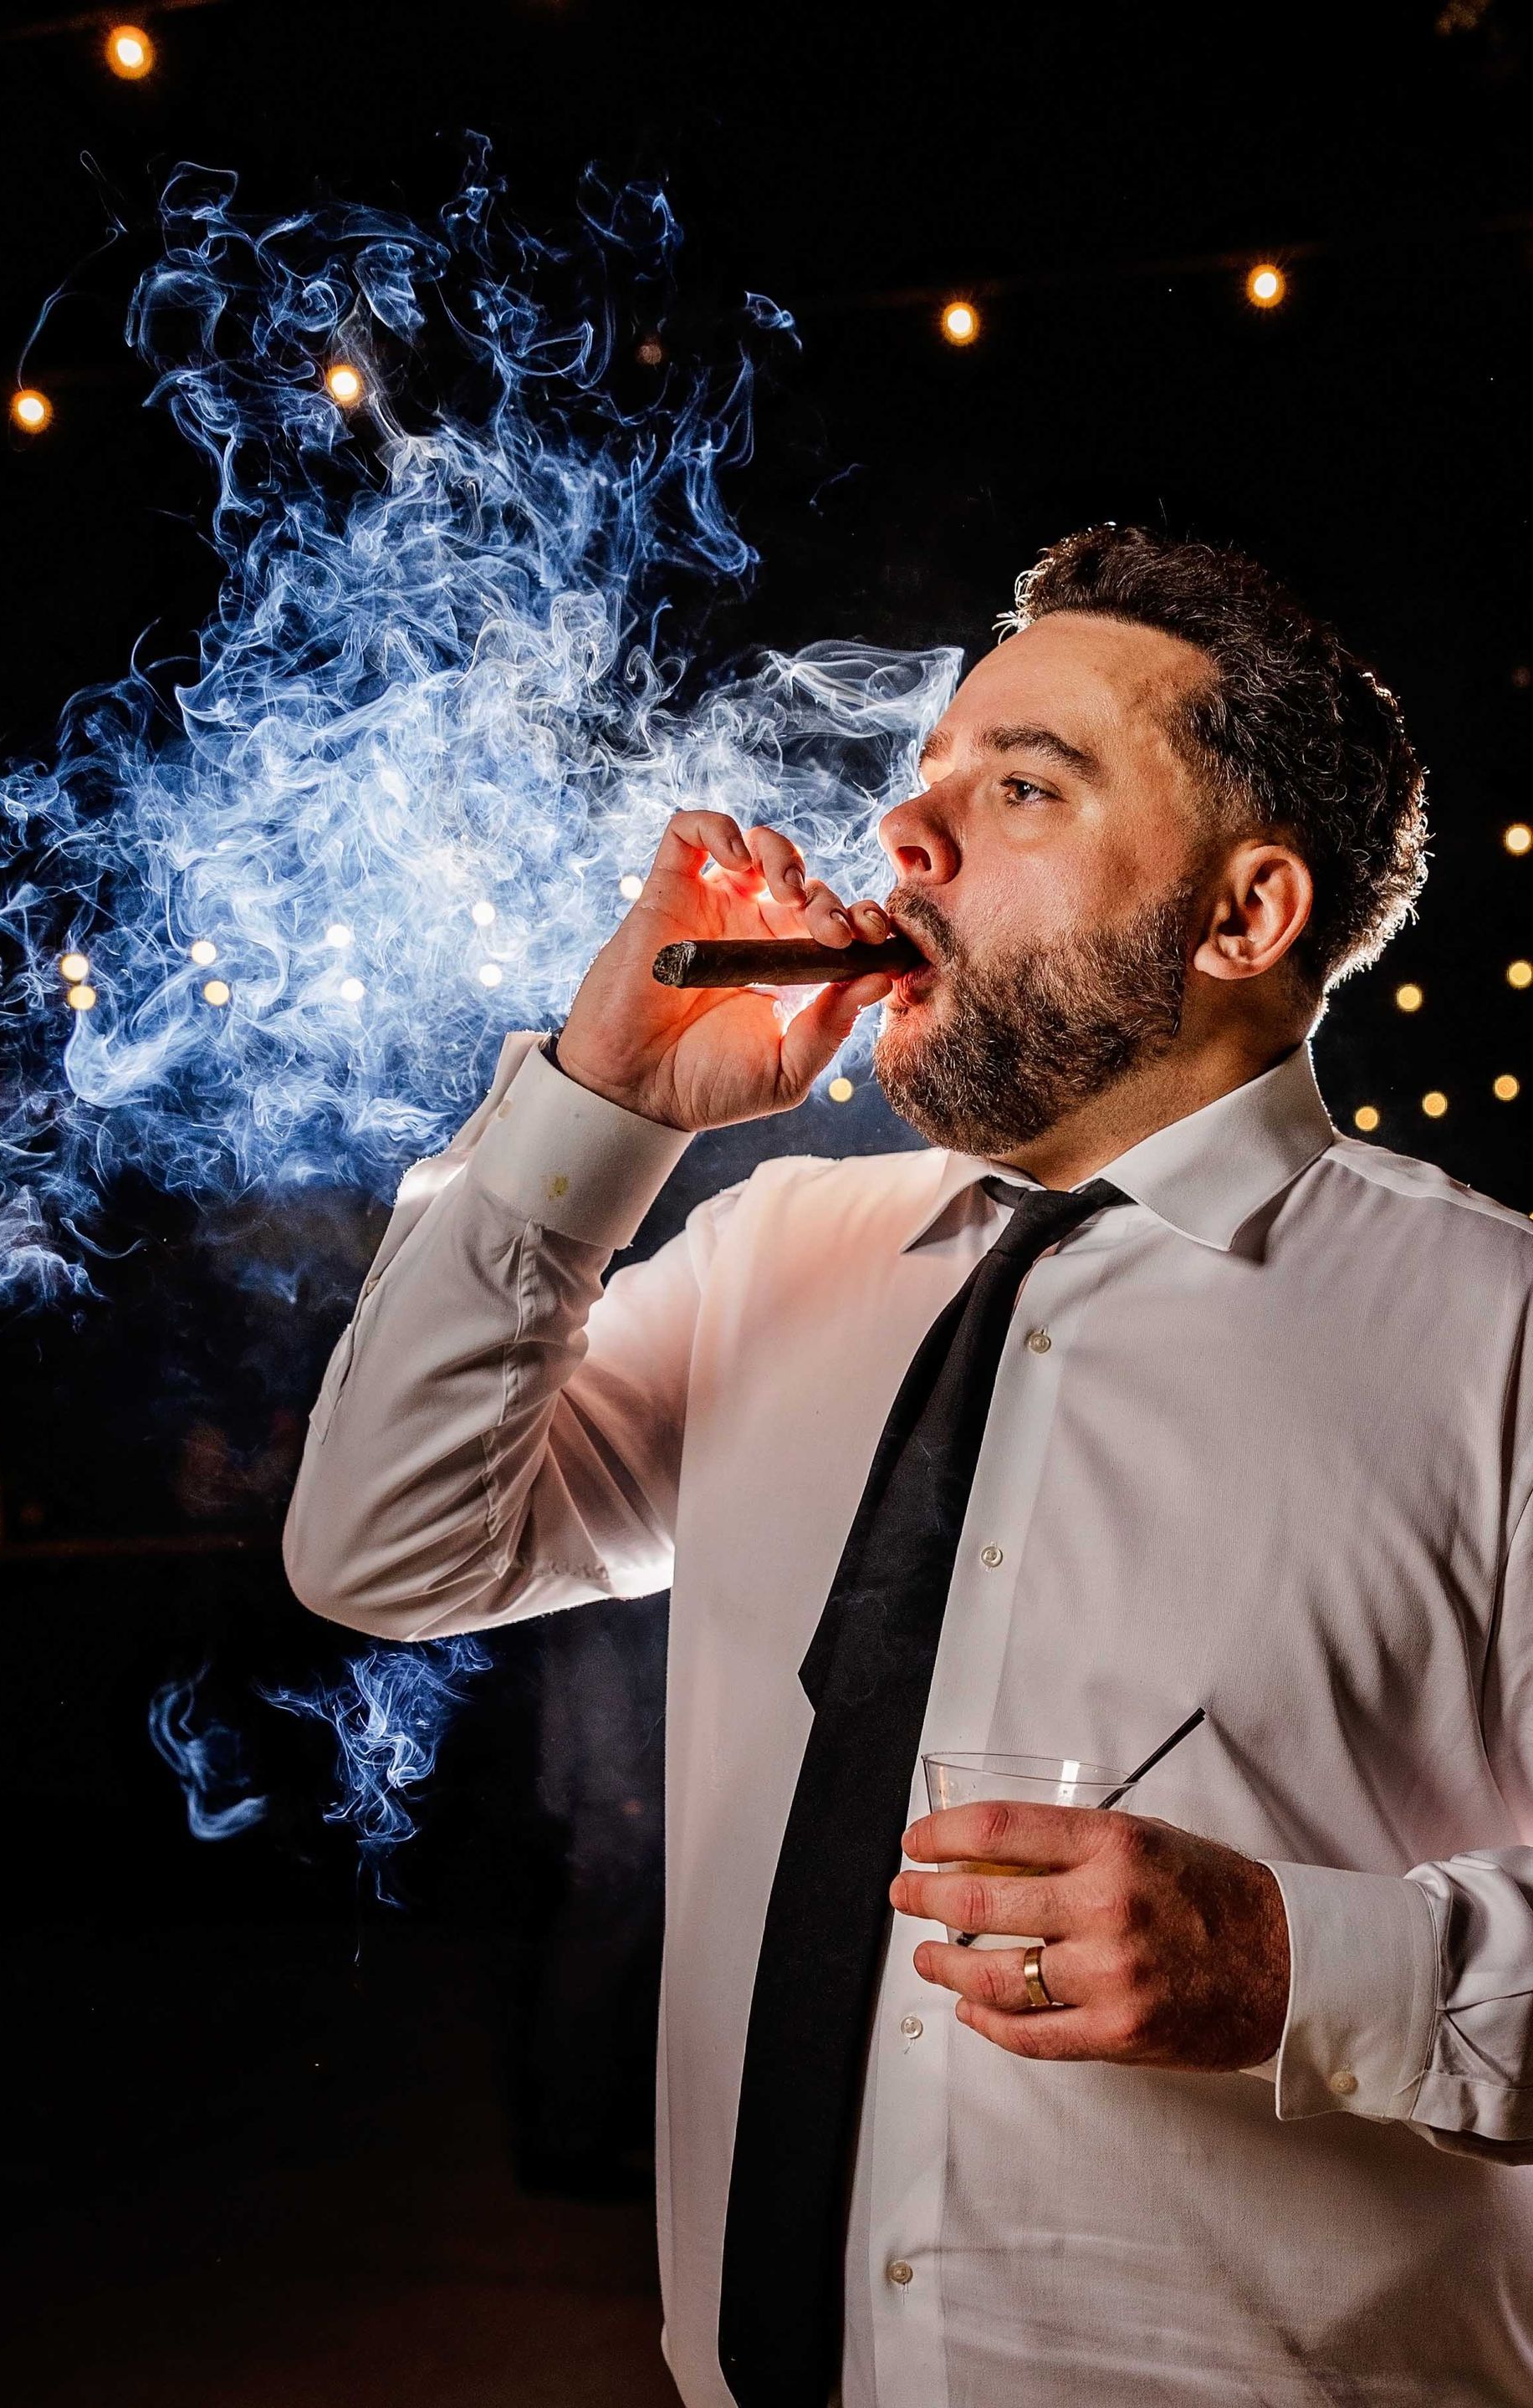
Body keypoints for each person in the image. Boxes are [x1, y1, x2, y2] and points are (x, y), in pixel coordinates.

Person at [284, 527, 1531, 2407]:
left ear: (1245, 915)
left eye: (1023, 789)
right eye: (925, 788)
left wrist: (1303, 1963)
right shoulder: (771, 1253)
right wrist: (599, 1111)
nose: (913, 844)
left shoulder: (1496, 1329)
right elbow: (383, 1553)